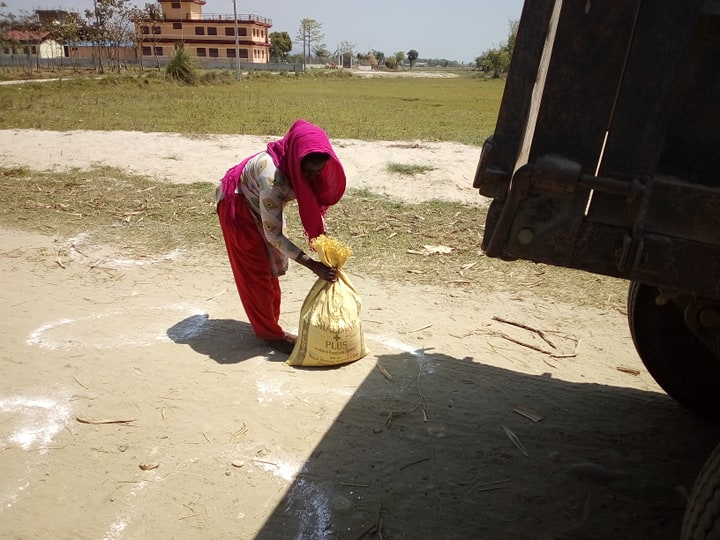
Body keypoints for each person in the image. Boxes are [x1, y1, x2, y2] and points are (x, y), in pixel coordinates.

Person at [215, 119, 346, 355]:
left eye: (317, 172)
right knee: (257, 273)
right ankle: (270, 334)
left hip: (260, 203)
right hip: (238, 207)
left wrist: (324, 247)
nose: (310, 176)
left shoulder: (302, 169)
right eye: (306, 171)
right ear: (295, 159)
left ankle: (270, 324)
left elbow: (312, 207)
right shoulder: (271, 178)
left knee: (272, 267)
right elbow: (274, 235)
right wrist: (312, 265)